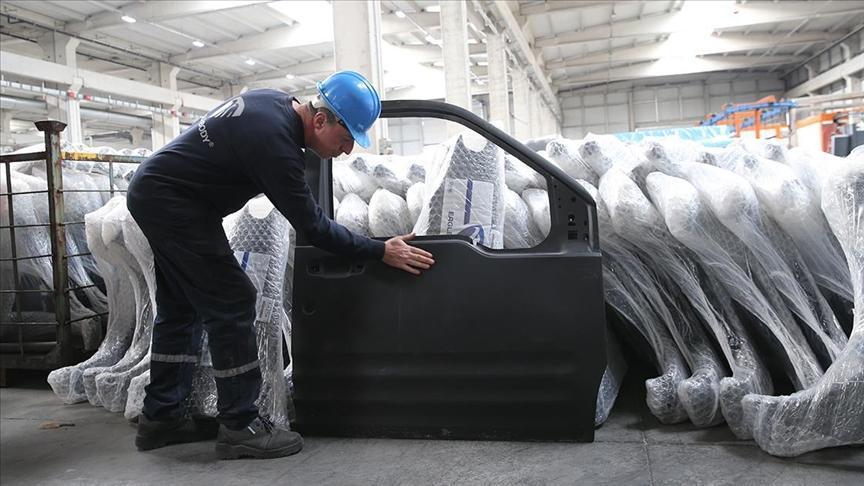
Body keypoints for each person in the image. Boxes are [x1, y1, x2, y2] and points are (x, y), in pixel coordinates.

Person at [126, 71, 435, 460]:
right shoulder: (275, 144)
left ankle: (161, 419)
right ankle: (240, 426)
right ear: (320, 120)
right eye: (345, 140)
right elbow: (314, 228)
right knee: (233, 301)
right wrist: (378, 250)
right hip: (173, 202)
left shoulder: (274, 105)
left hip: (160, 194)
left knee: (179, 308)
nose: (346, 152)